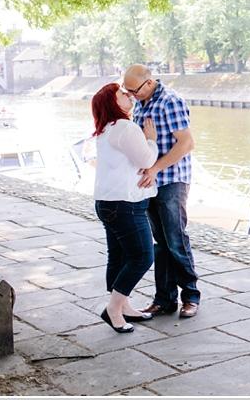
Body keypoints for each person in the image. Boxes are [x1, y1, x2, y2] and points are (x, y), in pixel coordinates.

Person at [122, 64, 201, 319]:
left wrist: (155, 168)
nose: (131, 95)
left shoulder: (170, 101)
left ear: (148, 82)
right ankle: (164, 299)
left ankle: (190, 296)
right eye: (128, 91)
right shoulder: (142, 103)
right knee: (160, 244)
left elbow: (187, 143)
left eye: (134, 90)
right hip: (151, 182)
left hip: (172, 180)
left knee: (176, 239)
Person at [91, 83, 159, 333]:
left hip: (107, 202)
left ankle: (124, 305)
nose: (128, 95)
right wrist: (151, 140)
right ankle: (113, 308)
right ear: (113, 103)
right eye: (122, 94)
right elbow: (146, 160)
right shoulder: (125, 128)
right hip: (125, 204)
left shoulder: (106, 129)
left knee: (118, 256)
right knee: (142, 256)